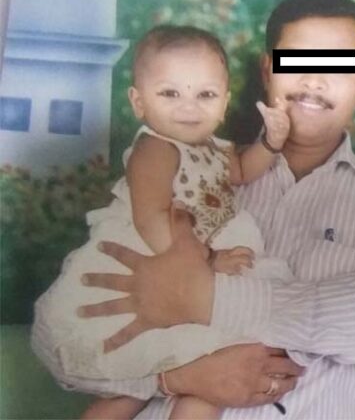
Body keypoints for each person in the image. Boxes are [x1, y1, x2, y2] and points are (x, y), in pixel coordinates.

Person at [31, 0, 355, 419]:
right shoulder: (196, 176)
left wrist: (205, 299)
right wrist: (176, 378)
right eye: (297, 59)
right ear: (268, 70)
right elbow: (57, 343)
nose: (314, 79)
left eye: (339, 65)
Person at [32, 25, 295, 419]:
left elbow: (242, 170)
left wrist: (271, 142)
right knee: (136, 381)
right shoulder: (155, 149)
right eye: (170, 93)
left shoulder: (216, 149)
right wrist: (207, 261)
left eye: (205, 95)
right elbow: (151, 216)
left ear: (224, 103)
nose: (188, 107)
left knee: (194, 373)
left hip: (189, 273)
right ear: (139, 102)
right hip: (156, 262)